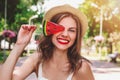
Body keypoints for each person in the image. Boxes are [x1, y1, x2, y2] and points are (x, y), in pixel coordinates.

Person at [1, 4, 94, 80]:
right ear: (50, 31)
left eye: (72, 30)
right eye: (59, 28)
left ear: (76, 36)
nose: (65, 34)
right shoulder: (38, 59)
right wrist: (19, 45)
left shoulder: (82, 67)